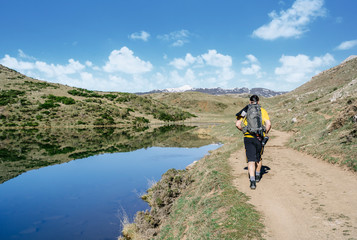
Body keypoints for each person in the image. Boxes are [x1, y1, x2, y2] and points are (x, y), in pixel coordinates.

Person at [235, 95, 271, 190]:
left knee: (251, 159)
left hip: (248, 137)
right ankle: (258, 175)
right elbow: (268, 124)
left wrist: (243, 130)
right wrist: (265, 133)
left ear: (249, 101)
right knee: (258, 157)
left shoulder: (245, 110)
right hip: (259, 137)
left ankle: (252, 181)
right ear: (258, 101)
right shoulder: (262, 110)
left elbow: (237, 124)